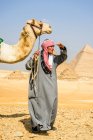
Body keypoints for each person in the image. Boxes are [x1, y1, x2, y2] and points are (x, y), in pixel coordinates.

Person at [25, 39, 67, 133]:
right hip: (39, 87)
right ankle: (36, 125)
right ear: (45, 47)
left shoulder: (54, 59)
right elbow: (27, 66)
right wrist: (33, 58)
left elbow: (63, 57)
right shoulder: (38, 57)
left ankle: (48, 125)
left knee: (52, 106)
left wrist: (62, 48)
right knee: (38, 105)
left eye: (53, 46)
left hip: (52, 88)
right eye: (50, 46)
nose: (52, 48)